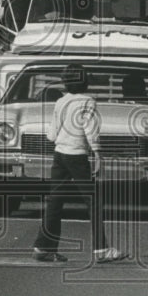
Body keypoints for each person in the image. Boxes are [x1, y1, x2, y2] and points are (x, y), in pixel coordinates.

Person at [33, 64, 125, 264]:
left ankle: (44, 246)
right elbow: (90, 128)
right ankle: (101, 248)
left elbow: (51, 133)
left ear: (65, 83)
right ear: (86, 82)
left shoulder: (60, 101)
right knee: (93, 201)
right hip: (77, 155)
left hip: (59, 153)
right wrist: (98, 153)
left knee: (55, 201)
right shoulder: (88, 102)